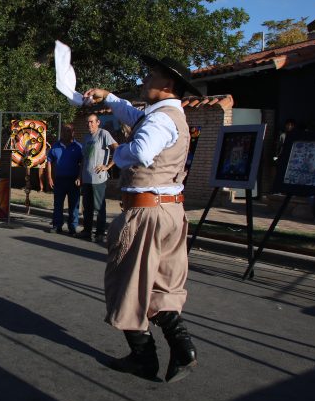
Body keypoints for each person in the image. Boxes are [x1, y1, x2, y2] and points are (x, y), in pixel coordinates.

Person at [84, 55, 200, 383]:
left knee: (126, 282)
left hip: (147, 212)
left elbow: (141, 150)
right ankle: (182, 347)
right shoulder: (169, 114)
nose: (145, 80)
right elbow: (135, 117)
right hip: (170, 209)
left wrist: (116, 153)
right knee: (161, 283)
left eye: (151, 76)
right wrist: (109, 98)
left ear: (168, 84)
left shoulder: (160, 120)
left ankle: (143, 357)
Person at [74, 114, 117, 242]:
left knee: (99, 207)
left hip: (98, 178)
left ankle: (99, 233)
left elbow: (117, 149)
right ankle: (87, 231)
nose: (89, 124)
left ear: (98, 122)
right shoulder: (87, 137)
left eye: (92, 122)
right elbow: (83, 159)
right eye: (87, 122)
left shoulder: (104, 134)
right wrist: (79, 176)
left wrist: (107, 166)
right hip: (86, 178)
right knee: (87, 207)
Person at [46, 124, 83, 234]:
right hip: (59, 180)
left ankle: (72, 226)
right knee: (58, 204)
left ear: (73, 132)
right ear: (61, 132)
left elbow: (82, 163)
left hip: (74, 181)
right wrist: (49, 177)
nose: (67, 133)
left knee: (74, 205)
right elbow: (49, 161)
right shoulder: (55, 146)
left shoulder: (78, 147)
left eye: (69, 131)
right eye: (65, 131)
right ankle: (57, 225)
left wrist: (79, 177)